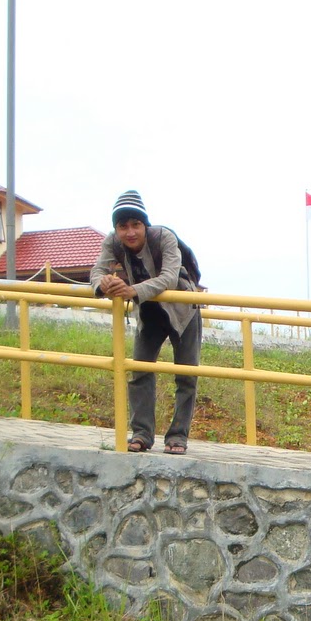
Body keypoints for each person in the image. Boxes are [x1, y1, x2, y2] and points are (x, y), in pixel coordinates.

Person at [89, 190, 203, 454]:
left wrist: (133, 290)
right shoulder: (112, 242)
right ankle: (141, 434)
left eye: (136, 225)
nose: (130, 232)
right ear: (116, 228)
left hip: (183, 311)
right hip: (149, 313)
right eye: (123, 226)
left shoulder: (164, 237)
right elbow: (96, 271)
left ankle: (177, 437)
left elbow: (170, 278)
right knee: (139, 372)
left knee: (186, 377)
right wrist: (103, 283)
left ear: (145, 225)